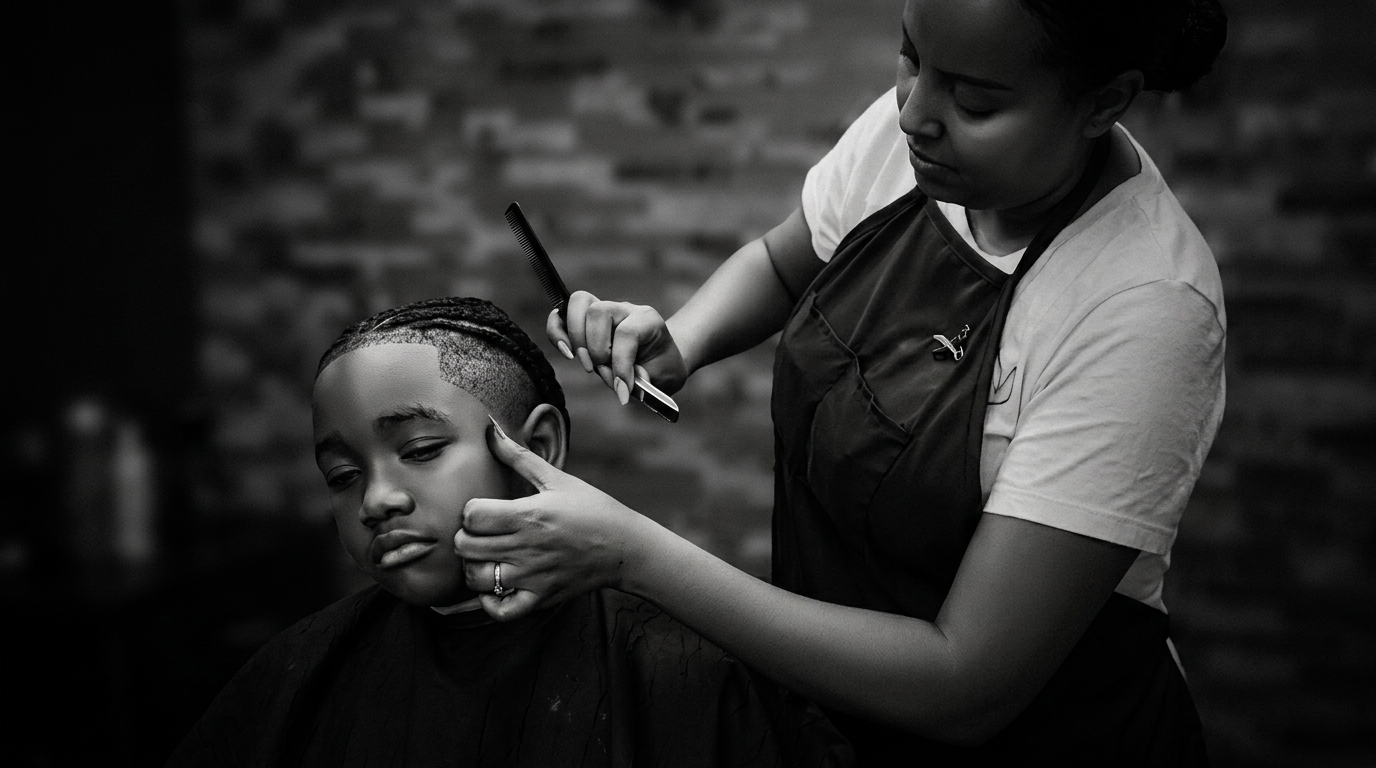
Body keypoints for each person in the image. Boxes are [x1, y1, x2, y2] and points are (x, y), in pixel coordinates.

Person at [454, 0, 1229, 764]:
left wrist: (633, 556)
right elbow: (785, 260)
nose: (913, 113)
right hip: (835, 728)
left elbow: (967, 684)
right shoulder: (917, 144)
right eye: (911, 57)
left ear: (1104, 102)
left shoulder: (1144, 308)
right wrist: (679, 340)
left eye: (975, 100)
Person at [167, 297, 851, 768]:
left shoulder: (682, 671)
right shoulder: (296, 676)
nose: (376, 499)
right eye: (343, 476)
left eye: (422, 450)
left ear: (541, 446)